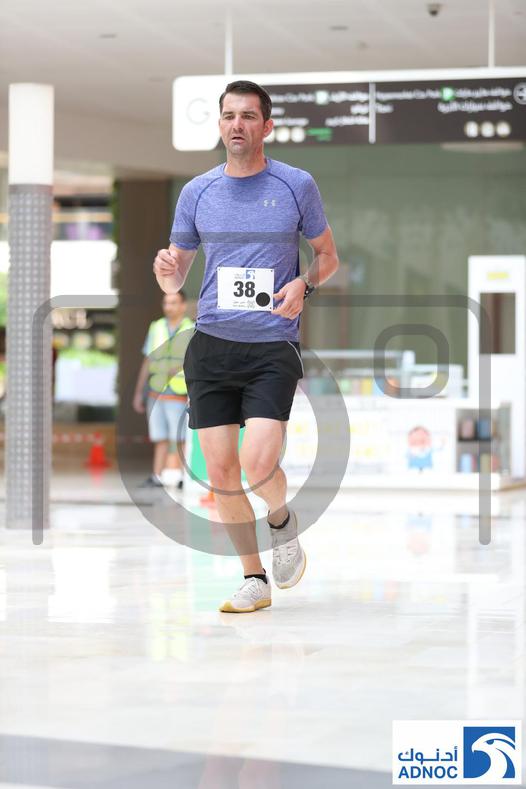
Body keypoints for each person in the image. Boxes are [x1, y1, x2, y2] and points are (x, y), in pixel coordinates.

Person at [153, 80, 339, 612]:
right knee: (222, 476)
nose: (237, 124)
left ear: (267, 126)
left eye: (249, 116)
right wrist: (166, 271)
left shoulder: (296, 184)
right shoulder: (197, 192)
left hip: (272, 345)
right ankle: (254, 577)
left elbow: (328, 256)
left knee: (258, 465)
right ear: (219, 124)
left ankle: (281, 521)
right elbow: (176, 275)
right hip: (211, 345)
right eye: (229, 115)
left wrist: (305, 284)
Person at [133, 290, 194, 489]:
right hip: (156, 391)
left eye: (174, 302)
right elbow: (147, 360)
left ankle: (184, 478)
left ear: (183, 306)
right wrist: (139, 392)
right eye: (166, 303)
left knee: (180, 438)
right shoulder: (156, 327)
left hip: (179, 392)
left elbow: (195, 362)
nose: (169, 307)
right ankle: (156, 476)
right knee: (159, 437)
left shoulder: (191, 329)